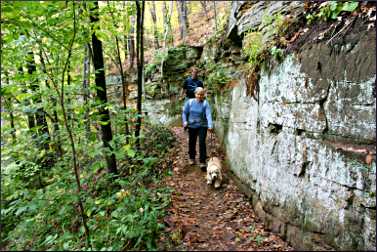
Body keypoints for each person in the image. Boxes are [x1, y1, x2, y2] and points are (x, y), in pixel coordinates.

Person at [182, 87, 213, 170]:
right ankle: (192, 158)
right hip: (192, 125)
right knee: (192, 141)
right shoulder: (190, 102)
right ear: (195, 94)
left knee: (202, 142)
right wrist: (185, 121)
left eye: (201, 94)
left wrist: (210, 125)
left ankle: (202, 161)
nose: (200, 96)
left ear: (204, 95)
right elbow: (184, 113)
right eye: (198, 94)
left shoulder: (205, 103)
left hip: (202, 125)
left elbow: (208, 115)